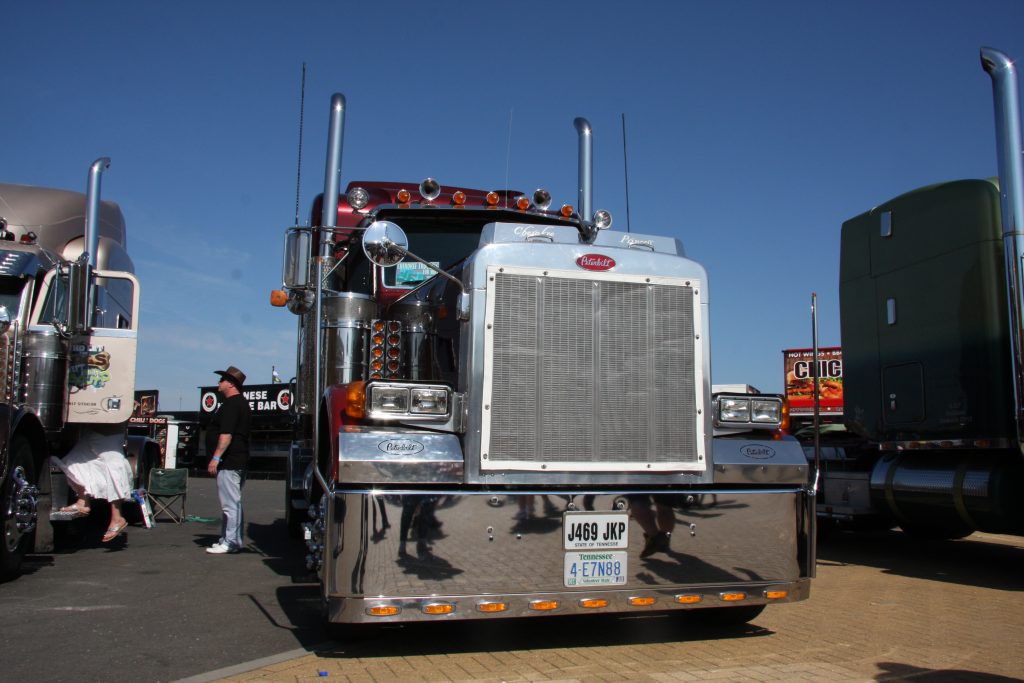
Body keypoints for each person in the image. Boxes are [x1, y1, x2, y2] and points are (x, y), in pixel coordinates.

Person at [51, 425, 133, 542]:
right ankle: (83, 501)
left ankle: (117, 517)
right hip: (91, 430)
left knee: (113, 467)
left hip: (109, 431)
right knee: (73, 461)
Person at [205, 366, 251, 555]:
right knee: (229, 503)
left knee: (231, 504)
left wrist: (216, 458)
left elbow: (226, 435)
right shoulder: (237, 403)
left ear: (231, 384)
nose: (219, 383)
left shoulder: (233, 404)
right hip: (234, 461)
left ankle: (231, 541)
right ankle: (227, 538)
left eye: (222, 380)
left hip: (230, 461)